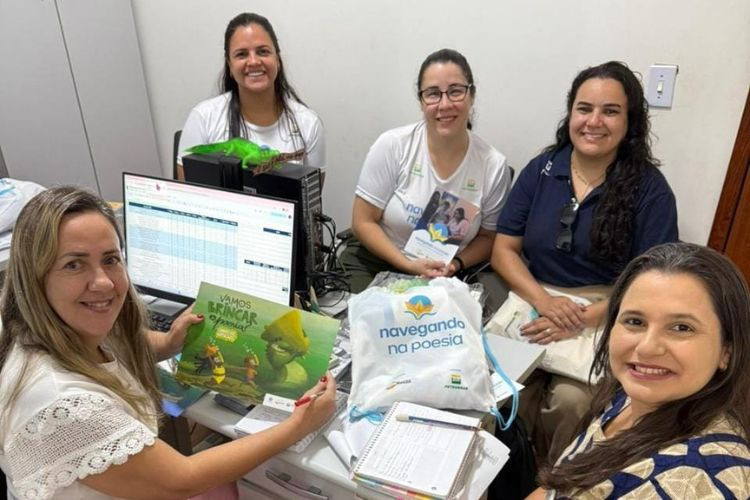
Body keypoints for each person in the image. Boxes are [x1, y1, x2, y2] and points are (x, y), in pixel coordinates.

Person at [0, 187, 336, 499]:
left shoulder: (56, 327)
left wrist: (169, 342)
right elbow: (182, 479)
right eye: (74, 265)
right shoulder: (61, 402)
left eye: (111, 259)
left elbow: (117, 345)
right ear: (35, 277)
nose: (103, 282)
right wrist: (299, 425)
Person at [492, 61, 678, 463]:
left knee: (573, 403)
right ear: (570, 114)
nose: (594, 121)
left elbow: (654, 283)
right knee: (501, 387)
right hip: (534, 297)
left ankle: (555, 481)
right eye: (584, 108)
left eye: (610, 111)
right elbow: (503, 249)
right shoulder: (542, 169)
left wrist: (582, 317)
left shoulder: (650, 189)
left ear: (630, 121)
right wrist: (545, 303)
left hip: (607, 308)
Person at [527, 242, 750, 498]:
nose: (646, 348)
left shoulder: (695, 482)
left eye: (681, 327)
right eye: (635, 321)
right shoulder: (630, 396)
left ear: (727, 351)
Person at [343, 48, 512, 293]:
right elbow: (362, 221)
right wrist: (408, 264)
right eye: (433, 94)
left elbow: (488, 238)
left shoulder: (493, 165)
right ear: (421, 101)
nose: (444, 104)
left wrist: (455, 264)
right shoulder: (393, 145)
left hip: (446, 274)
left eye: (455, 91)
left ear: (472, 95)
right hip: (378, 262)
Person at [177, 13, 325, 177]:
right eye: (242, 54)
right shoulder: (203, 118)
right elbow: (187, 187)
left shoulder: (308, 123)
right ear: (230, 65)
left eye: (263, 51)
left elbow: (311, 190)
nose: (254, 61)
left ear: (277, 59)